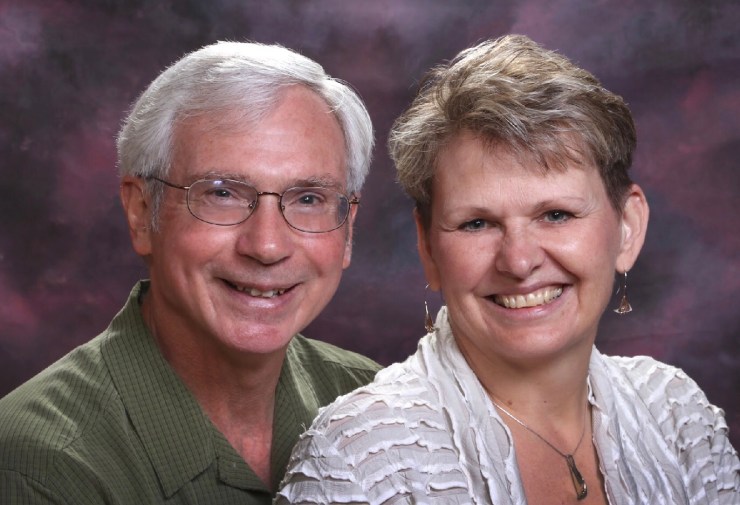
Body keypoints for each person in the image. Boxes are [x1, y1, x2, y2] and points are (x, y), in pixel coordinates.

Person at [276, 34, 740, 504]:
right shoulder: (360, 461)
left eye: (556, 214)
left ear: (628, 227)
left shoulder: (676, 414)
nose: (519, 262)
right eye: (476, 223)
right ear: (428, 247)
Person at [0, 41, 381, 503]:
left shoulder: (377, 408)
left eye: (308, 199)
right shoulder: (43, 468)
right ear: (143, 212)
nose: (267, 246)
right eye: (221, 193)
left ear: (348, 229)